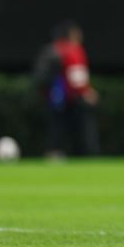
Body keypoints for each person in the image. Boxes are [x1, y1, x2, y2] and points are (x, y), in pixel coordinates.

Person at [33, 22, 99, 160]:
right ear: (72, 34)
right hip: (71, 97)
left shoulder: (52, 49)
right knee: (80, 129)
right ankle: (85, 155)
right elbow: (76, 75)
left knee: (56, 126)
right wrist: (85, 92)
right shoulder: (73, 49)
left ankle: (54, 153)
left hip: (53, 97)